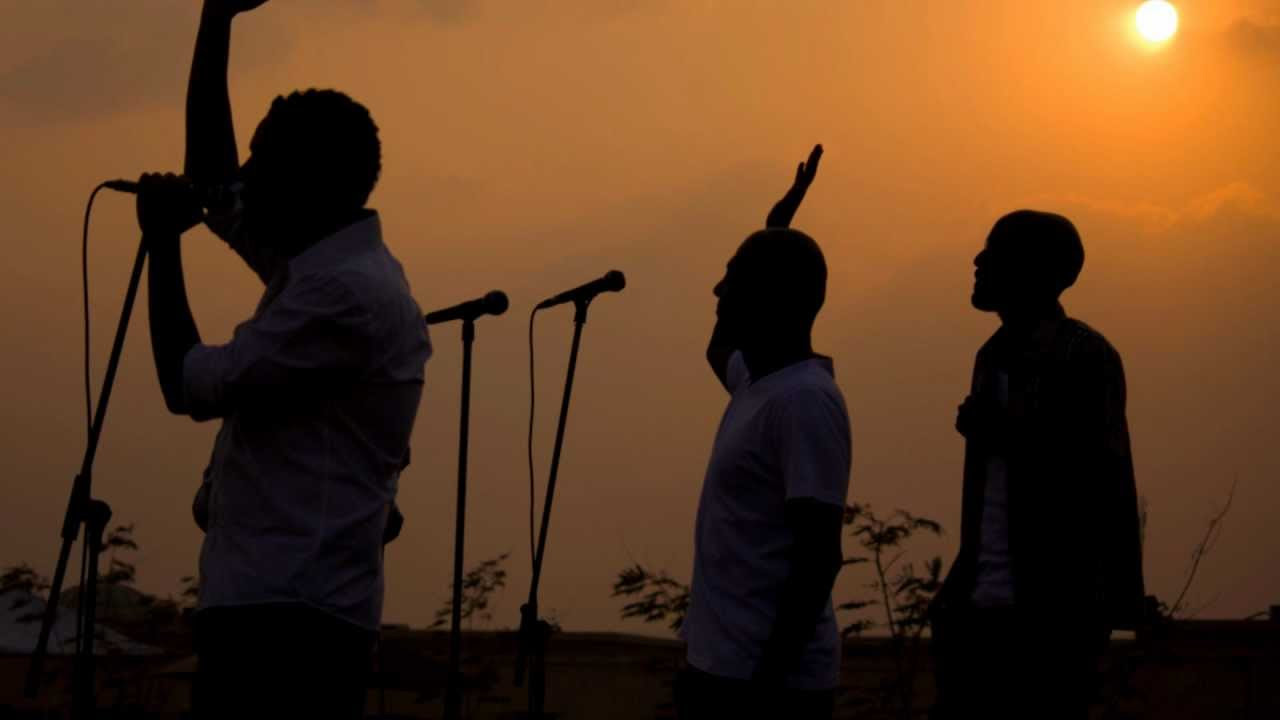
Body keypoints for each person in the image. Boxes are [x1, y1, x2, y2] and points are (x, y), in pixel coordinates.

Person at [135, 0, 431, 716]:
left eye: (261, 162)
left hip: (289, 626)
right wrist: (216, 20)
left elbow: (187, 383)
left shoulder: (340, 296)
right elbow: (215, 186)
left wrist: (163, 243)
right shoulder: (325, 268)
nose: (247, 176)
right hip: (276, 612)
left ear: (306, 183)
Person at [929, 211, 1145, 720]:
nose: (978, 261)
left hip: (1054, 612)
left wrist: (1003, 432)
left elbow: (1097, 479)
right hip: (979, 605)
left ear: (1034, 270)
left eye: (995, 251)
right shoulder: (992, 355)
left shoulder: (1085, 355)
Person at [677, 145, 851, 720]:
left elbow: (818, 558)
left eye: (732, 280)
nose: (717, 292)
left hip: (767, 684)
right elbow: (718, 346)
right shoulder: (757, 385)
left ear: (769, 298)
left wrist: (768, 681)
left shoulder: (804, 402)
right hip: (721, 668)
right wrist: (776, 227)